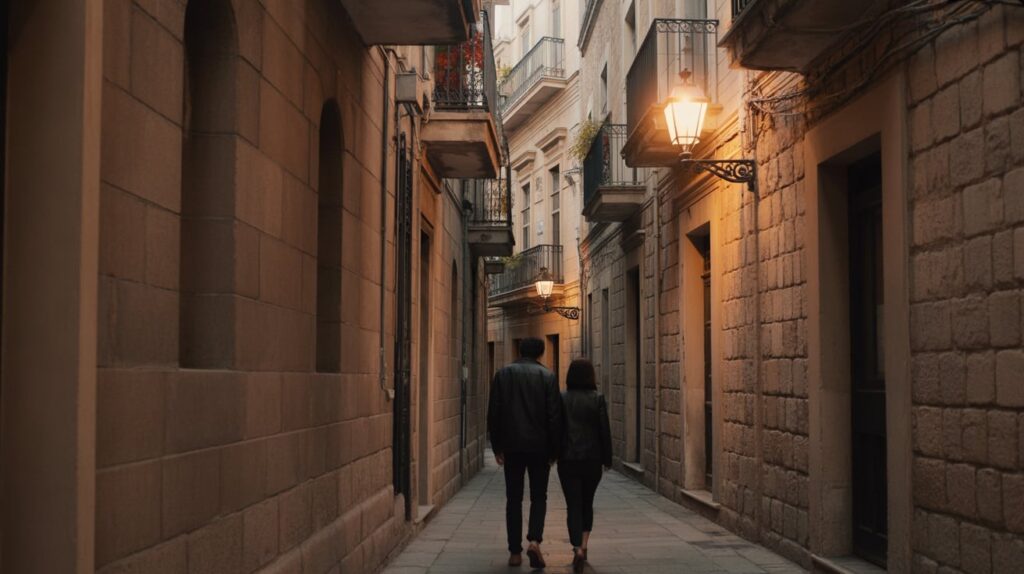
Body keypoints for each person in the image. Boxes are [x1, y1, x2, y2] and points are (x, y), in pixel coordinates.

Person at [487, 337, 563, 568]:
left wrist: (497, 447)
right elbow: (554, 416)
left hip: (512, 447)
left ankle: (514, 552)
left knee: (514, 498)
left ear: (520, 351)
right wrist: (554, 450)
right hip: (540, 448)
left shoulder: (503, 374)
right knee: (539, 496)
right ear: (540, 353)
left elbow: (494, 413)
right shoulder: (548, 377)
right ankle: (534, 541)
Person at [557, 358, 612, 573]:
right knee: (587, 502)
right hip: (592, 460)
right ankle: (585, 545)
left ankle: (576, 547)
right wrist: (607, 459)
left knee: (573, 504)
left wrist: (554, 454)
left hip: (568, 459)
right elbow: (604, 431)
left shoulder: (562, 398)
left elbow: (557, 429)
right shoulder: (597, 399)